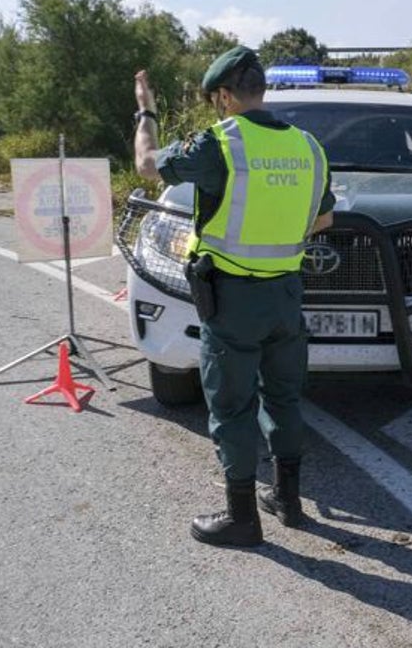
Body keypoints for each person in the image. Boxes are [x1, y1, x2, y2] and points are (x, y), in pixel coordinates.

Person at [132, 46, 335, 547]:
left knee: (231, 405)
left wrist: (146, 111)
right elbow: (325, 218)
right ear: (260, 90)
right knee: (284, 396)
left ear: (224, 96)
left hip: (233, 299)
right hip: (288, 294)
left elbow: (145, 165)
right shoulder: (309, 147)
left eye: (214, 99)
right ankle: (288, 501)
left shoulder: (221, 144)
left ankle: (242, 517)